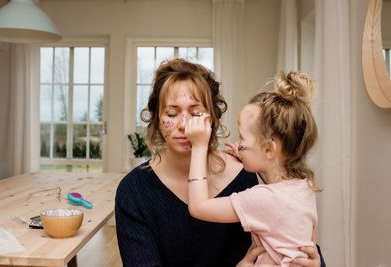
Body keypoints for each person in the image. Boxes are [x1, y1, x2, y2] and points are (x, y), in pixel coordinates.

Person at [115, 59, 324, 267]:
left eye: (196, 114)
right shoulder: (134, 192)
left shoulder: (247, 175)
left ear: (213, 116)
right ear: (157, 118)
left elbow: (288, 238)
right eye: (172, 113)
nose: (185, 126)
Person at [184, 71, 321, 266]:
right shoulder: (303, 186)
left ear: (269, 150)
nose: (238, 144)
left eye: (242, 138)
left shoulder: (264, 199)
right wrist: (253, 159)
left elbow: (198, 207)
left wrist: (199, 146)